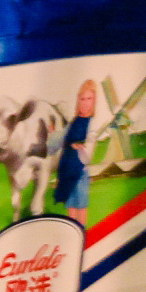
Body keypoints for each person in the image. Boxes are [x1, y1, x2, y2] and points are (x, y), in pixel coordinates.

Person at [53, 80, 96, 222]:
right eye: (83, 99)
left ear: (94, 100)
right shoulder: (74, 121)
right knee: (70, 205)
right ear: (78, 100)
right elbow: (62, 140)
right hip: (67, 169)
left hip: (80, 170)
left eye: (89, 99)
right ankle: (71, 230)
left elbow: (89, 148)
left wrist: (82, 147)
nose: (86, 103)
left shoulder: (91, 123)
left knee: (81, 205)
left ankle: (81, 230)